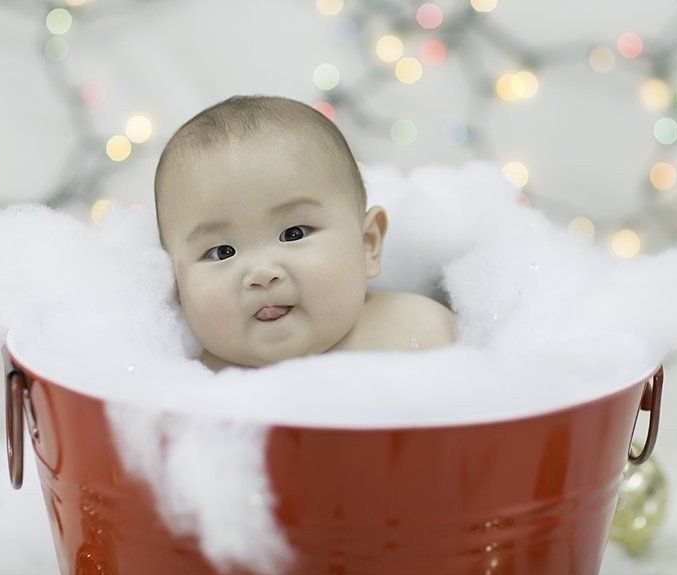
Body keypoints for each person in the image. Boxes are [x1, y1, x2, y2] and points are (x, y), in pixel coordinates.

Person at [154, 94, 457, 372]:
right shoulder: (189, 378)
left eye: (294, 233)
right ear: (176, 284)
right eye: (223, 252)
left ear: (367, 245)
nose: (261, 274)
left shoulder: (418, 332)